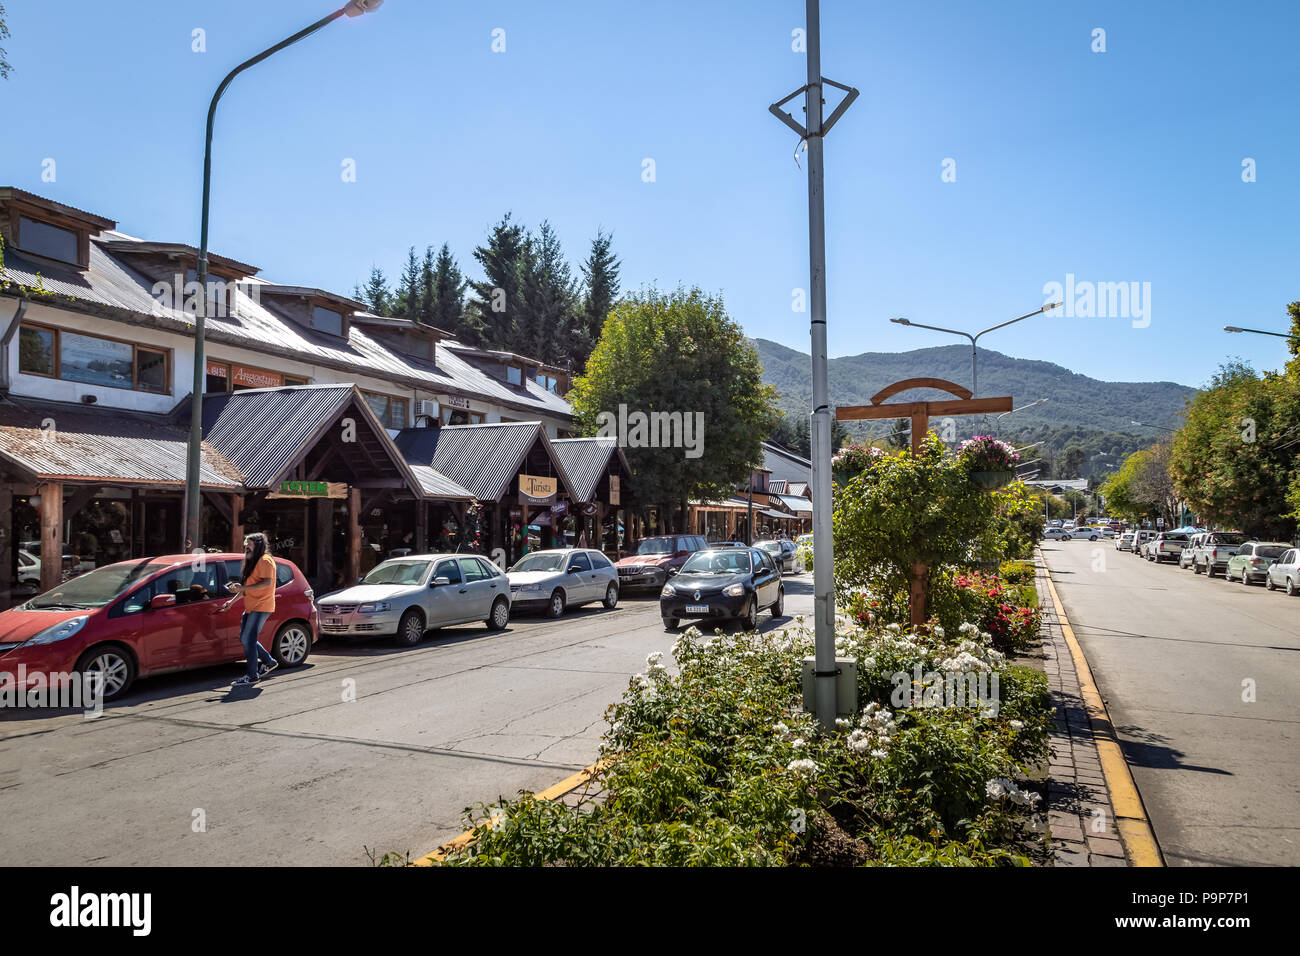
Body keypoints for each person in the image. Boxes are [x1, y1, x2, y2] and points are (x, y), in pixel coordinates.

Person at [222, 532, 279, 686]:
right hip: (251, 606)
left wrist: (244, 587)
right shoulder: (253, 561)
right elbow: (247, 590)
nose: (246, 546)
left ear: (258, 544)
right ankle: (268, 661)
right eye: (246, 543)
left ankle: (252, 675)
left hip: (262, 606)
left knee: (248, 639)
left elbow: (266, 583)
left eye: (249, 543)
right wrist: (231, 602)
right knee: (245, 638)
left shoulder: (265, 560)